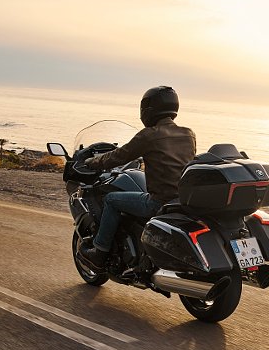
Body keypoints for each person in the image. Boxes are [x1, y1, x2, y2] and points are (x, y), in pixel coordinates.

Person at [79, 86, 196, 271]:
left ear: (149, 109)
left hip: (159, 202)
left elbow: (118, 156)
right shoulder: (188, 134)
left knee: (111, 200)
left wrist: (93, 162)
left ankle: (99, 253)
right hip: (183, 201)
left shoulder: (149, 135)